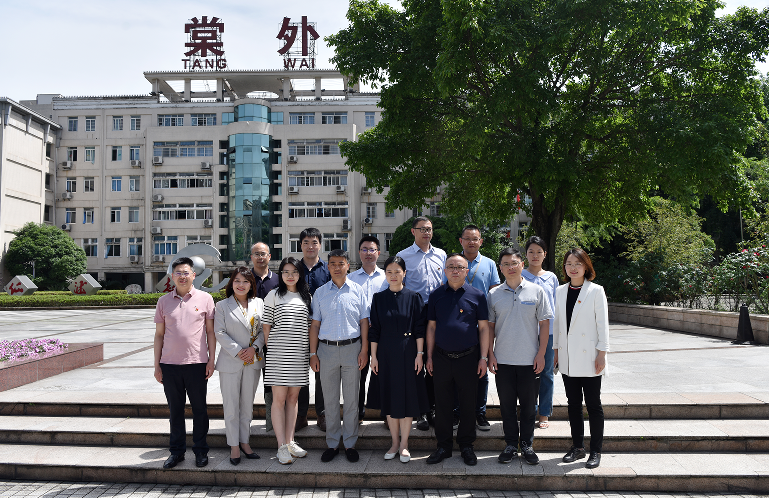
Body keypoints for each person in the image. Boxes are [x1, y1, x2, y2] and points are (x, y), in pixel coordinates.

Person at [487, 248, 552, 465]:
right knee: (506, 406)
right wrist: (490, 354)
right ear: (500, 268)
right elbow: (489, 328)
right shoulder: (493, 294)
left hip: (530, 361)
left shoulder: (536, 291)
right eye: (505, 264)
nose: (510, 267)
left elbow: (545, 325)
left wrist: (541, 353)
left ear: (522, 265)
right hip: (503, 361)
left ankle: (526, 445)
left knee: (528, 407)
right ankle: (510, 445)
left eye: (514, 263)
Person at [425, 253, 490, 466]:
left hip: (469, 358)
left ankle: (466, 445)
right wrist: (429, 356)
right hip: (441, 358)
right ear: (445, 270)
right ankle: (443, 446)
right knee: (442, 405)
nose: (455, 270)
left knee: (468, 404)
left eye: (459, 267)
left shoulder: (477, 295)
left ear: (466, 271)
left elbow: (483, 328)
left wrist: (483, 357)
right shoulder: (436, 295)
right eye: (451, 267)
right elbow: (431, 327)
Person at [153, 257, 215, 469]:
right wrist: (157, 365)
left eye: (186, 272)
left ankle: (200, 451)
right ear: (172, 276)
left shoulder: (205, 299)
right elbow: (159, 335)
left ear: (193, 275)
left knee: (200, 410)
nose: (182, 276)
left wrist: (211, 360)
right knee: (175, 411)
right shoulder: (163, 302)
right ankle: (177, 452)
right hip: (169, 365)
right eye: (178, 273)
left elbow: (210, 332)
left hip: (197, 363)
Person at [309, 249, 369, 463]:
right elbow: (315, 325)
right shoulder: (320, 293)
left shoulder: (358, 291)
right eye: (332, 263)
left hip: (353, 348)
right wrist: (313, 353)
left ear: (348, 266)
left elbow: (364, 322)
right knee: (330, 400)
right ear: (328, 266)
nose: (336, 267)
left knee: (352, 400)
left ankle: (350, 443)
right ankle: (333, 443)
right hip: (326, 350)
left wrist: (364, 350)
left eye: (340, 263)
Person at [553, 248, 609, 469]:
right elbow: (557, 324)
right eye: (569, 263)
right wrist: (556, 351)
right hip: (568, 358)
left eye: (578, 263)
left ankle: (596, 450)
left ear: (586, 266)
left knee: (593, 405)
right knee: (573, 404)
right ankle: (577, 447)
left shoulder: (596, 291)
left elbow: (602, 324)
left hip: (590, 357)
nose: (573, 267)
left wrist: (602, 354)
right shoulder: (560, 291)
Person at [369, 255, 428, 463]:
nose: (393, 275)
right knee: (390, 397)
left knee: (407, 397)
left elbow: (420, 329)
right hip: (385, 353)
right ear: (385, 274)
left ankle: (404, 444)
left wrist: (420, 354)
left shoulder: (414, 297)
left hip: (409, 351)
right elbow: (374, 330)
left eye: (397, 271)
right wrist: (373, 357)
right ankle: (394, 443)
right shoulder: (378, 298)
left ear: (404, 273)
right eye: (389, 272)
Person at [443, 224, 500, 432]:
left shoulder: (489, 264)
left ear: (481, 241)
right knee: (456, 373)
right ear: (461, 241)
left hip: (482, 326)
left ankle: (479, 412)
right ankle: (457, 412)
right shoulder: (453, 262)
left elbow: (494, 293)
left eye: (475, 239)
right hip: (459, 326)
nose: (471, 242)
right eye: (467, 238)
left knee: (481, 372)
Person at [397, 216, 446, 430]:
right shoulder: (403, 256)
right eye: (422, 229)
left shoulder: (441, 255)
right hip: (413, 313)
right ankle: (418, 411)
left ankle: (432, 408)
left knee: (434, 362)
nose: (426, 232)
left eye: (429, 229)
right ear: (413, 231)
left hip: (437, 314)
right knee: (415, 363)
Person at [263, 257, 313, 464]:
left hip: (299, 355)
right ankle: (281, 446)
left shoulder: (306, 296)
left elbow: (309, 326)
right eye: (286, 272)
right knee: (279, 400)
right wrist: (272, 351)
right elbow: (266, 326)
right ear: (281, 274)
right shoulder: (273, 295)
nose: (290, 275)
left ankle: (291, 441)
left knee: (293, 399)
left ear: (300, 274)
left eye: (294, 271)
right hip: (278, 355)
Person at [213, 267, 265, 465]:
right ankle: (234, 446)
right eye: (237, 281)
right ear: (231, 283)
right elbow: (219, 332)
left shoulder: (259, 303)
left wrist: (254, 348)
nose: (241, 285)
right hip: (230, 361)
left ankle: (245, 442)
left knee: (247, 405)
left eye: (245, 281)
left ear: (251, 284)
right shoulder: (222, 305)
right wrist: (238, 351)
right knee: (231, 406)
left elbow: (264, 330)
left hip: (252, 361)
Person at [348, 235, 388, 421]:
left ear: (378, 252)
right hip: (359, 333)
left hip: (383, 333)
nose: (368, 253)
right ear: (359, 252)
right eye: (364, 249)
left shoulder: (387, 277)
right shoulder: (350, 278)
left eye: (372, 249)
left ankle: (387, 413)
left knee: (384, 373)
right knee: (359, 373)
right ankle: (358, 413)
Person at [522, 236, 558, 430]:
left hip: (549, 333)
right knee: (526, 374)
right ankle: (528, 411)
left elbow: (556, 307)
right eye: (531, 252)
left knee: (546, 374)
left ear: (545, 254)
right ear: (526, 254)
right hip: (526, 332)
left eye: (539, 252)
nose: (535, 255)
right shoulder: (520, 275)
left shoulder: (551, 277)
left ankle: (544, 413)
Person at [297, 228, 331, 432]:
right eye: (306, 242)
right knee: (300, 372)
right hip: (298, 328)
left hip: (323, 328)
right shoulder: (294, 269)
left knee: (322, 372)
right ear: (300, 245)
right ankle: (301, 415)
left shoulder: (328, 269)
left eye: (314, 242)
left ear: (320, 245)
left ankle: (322, 414)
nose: (310, 246)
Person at [249, 241, 280, 433]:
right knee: (248, 383)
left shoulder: (278, 280)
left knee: (272, 382)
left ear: (269, 256)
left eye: (263, 254)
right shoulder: (244, 279)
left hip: (274, 340)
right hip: (249, 342)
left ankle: (272, 422)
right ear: (251, 257)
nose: (260, 257)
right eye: (256, 254)